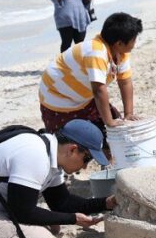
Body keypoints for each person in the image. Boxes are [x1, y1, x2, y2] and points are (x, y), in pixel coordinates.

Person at [39, 12, 143, 143]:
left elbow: (125, 82)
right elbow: (99, 90)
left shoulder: (120, 53)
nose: (135, 43)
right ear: (119, 43)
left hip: (85, 99)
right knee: (68, 144)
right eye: (134, 39)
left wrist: (129, 114)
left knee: (114, 134)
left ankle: (108, 161)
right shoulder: (96, 52)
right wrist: (109, 121)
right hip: (57, 99)